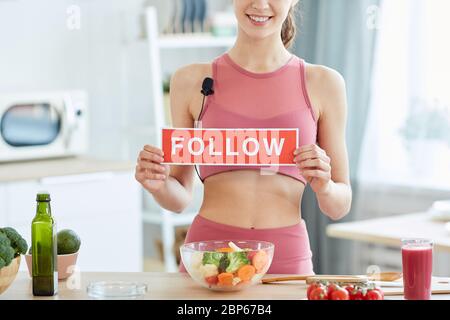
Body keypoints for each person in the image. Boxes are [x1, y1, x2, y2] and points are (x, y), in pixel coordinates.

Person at [135, 0, 352, 274]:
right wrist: (158, 183)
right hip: (207, 259)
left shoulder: (324, 84)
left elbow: (340, 205)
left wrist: (326, 187)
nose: (260, 4)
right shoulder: (189, 81)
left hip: (286, 260)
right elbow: (179, 198)